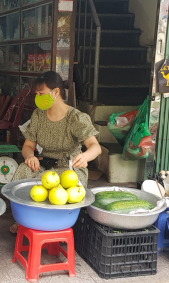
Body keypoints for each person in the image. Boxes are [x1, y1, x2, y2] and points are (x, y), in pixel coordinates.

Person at [9, 71, 102, 233]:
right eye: (36, 94)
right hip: (43, 163)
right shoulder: (38, 115)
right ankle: (23, 219)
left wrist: (85, 156)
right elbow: (28, 146)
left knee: (63, 190)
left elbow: (95, 147)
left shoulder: (76, 117)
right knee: (23, 171)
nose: (38, 97)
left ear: (56, 91)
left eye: (41, 93)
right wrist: (30, 157)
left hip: (70, 167)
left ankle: (57, 222)